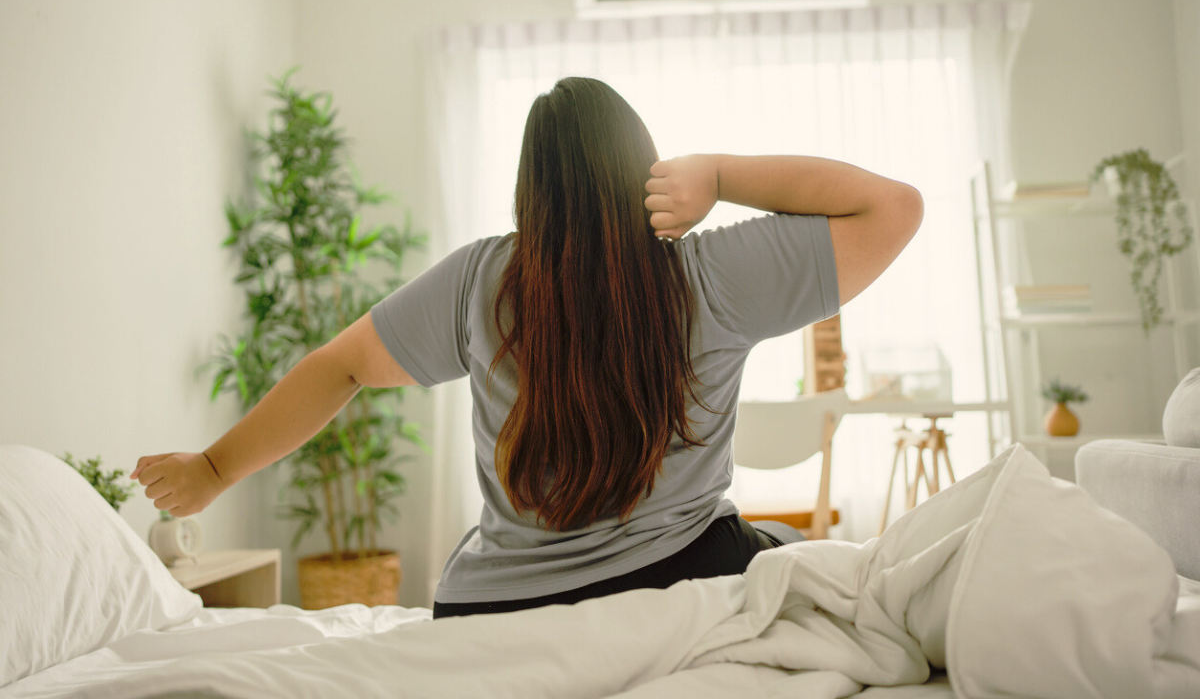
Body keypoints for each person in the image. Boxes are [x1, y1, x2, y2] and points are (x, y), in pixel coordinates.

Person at [132, 77, 923, 619]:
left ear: (530, 186)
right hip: (684, 575)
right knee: (806, 558)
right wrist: (718, 173)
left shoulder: (482, 283)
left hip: (499, 604)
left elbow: (338, 366)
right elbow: (893, 208)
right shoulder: (711, 274)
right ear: (641, 167)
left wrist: (212, 469)